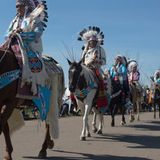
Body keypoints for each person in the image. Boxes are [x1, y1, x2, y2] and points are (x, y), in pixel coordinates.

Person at [1, 0, 49, 95]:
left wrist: (22, 33)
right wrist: (12, 33)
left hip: (27, 46)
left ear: (26, 6)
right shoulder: (15, 20)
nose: (17, 8)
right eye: (16, 6)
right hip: (11, 42)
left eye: (20, 6)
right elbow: (6, 33)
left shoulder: (34, 19)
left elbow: (37, 33)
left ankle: (33, 84)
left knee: (29, 60)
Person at [78, 26, 107, 109]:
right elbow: (82, 60)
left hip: (96, 68)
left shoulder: (101, 50)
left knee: (101, 80)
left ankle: (101, 98)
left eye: (94, 42)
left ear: (96, 42)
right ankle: (79, 97)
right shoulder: (85, 50)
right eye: (90, 42)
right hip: (85, 68)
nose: (92, 43)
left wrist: (97, 61)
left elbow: (104, 61)